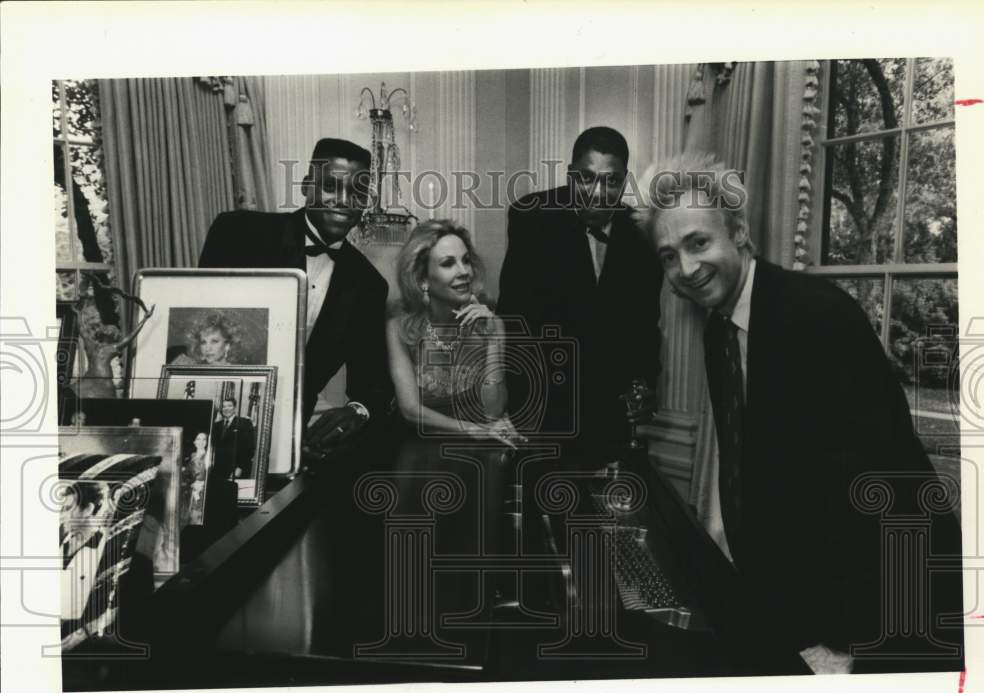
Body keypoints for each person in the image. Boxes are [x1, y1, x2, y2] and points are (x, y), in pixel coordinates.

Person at [635, 150, 963, 674]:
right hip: (805, 601)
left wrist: (841, 641)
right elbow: (767, 477)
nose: (686, 269)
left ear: (739, 234)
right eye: (669, 256)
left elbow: (880, 486)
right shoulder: (721, 325)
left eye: (698, 242)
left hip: (889, 608)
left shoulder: (816, 314)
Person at [199, 138, 394, 452]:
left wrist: (356, 411)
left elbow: (372, 381)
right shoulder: (239, 233)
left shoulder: (368, 284)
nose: (345, 201)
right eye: (331, 186)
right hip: (208, 416)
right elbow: (197, 322)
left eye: (358, 192)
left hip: (294, 439)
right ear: (306, 187)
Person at [497, 126, 663, 461]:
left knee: (603, 507)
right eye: (586, 178)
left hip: (609, 406)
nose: (598, 192)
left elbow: (646, 324)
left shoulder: (644, 233)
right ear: (571, 176)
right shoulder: (532, 216)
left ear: (624, 181)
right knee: (541, 502)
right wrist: (522, 401)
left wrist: (645, 383)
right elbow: (514, 316)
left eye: (611, 181)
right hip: (543, 401)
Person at [386, 219, 522, 447]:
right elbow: (410, 411)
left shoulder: (491, 324)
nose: (464, 272)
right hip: (420, 448)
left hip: (480, 447)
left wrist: (492, 340)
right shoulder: (399, 328)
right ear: (422, 279)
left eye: (466, 261)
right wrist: (472, 429)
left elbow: (494, 412)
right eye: (448, 263)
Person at [168, 311, 240, 366]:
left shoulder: (237, 373)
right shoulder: (189, 365)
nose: (207, 349)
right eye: (203, 342)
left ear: (227, 345)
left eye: (214, 341)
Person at [212, 398, 256, 480]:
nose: (226, 409)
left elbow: (249, 448)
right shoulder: (216, 425)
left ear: (234, 408)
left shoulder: (244, 423)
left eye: (229, 406)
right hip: (218, 470)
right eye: (224, 406)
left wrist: (240, 467)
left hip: (236, 469)